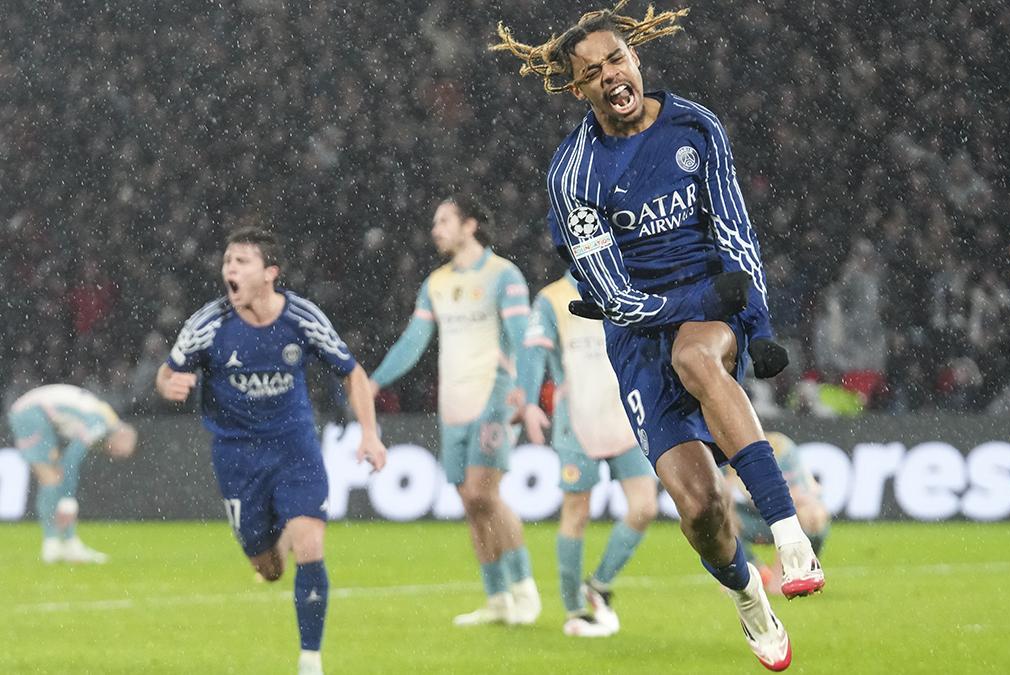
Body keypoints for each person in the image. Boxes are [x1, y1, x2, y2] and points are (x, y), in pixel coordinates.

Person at [493, 3, 824, 669]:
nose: (610, 74)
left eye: (616, 58)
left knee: (698, 356)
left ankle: (791, 538)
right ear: (578, 89)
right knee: (699, 511)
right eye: (591, 72)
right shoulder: (574, 174)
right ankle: (747, 592)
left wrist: (753, 321)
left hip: (707, 316)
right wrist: (705, 295)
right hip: (640, 337)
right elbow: (613, 297)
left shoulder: (694, 125)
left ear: (636, 58)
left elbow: (735, 231)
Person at [156, 226, 387, 675]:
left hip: (294, 446)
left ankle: (310, 660)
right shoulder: (208, 325)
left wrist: (370, 433)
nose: (230, 269)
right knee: (268, 569)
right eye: (227, 262)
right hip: (237, 456)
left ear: (270, 273)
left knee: (311, 543)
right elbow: (166, 373)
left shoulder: (301, 317)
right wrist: (171, 385)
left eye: (241, 261)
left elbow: (352, 372)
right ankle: (275, 533)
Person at [370, 195, 541, 626]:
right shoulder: (437, 283)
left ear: (469, 226)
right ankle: (497, 598)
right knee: (469, 501)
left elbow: (523, 337)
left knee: (485, 493)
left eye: (443, 220)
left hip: (494, 398)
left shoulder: (505, 275)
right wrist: (374, 380)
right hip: (453, 405)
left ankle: (524, 588)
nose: (435, 229)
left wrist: (525, 392)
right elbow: (413, 341)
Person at [515, 272, 658, 637]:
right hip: (576, 420)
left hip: (626, 416)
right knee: (577, 512)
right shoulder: (552, 298)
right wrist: (530, 402)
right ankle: (574, 610)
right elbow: (534, 351)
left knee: (645, 507)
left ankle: (599, 583)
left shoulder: (625, 284)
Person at [6, 384, 138, 564]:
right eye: (118, 452)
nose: (113, 455)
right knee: (51, 479)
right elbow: (70, 461)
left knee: (54, 477)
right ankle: (53, 545)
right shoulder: (99, 424)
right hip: (31, 413)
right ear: (123, 436)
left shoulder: (107, 420)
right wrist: (68, 501)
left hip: (39, 413)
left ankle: (67, 543)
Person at [728, 432, 830, 595]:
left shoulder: (781, 448)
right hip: (753, 518)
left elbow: (798, 497)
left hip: (786, 514)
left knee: (813, 515)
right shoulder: (726, 447)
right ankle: (746, 573)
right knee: (719, 519)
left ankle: (798, 570)